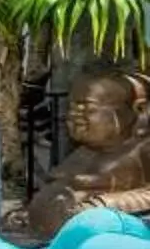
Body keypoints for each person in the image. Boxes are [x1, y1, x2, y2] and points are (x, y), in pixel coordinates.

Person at [26, 66, 150, 239]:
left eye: (89, 109)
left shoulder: (142, 150)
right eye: (72, 108)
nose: (75, 116)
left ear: (139, 110)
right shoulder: (83, 154)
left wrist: (101, 205)